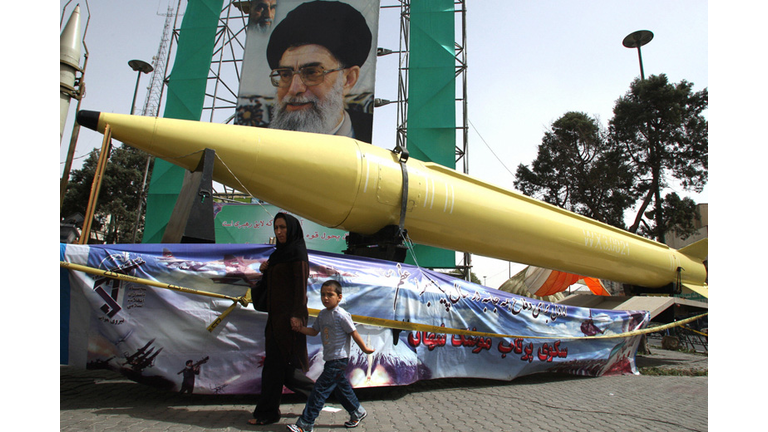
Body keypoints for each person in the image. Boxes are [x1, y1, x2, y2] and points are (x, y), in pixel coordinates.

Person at [266, 0, 373, 142]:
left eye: (311, 73)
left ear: (348, 80)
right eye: (286, 74)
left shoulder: (375, 143)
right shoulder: (253, 140)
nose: (294, 89)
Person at [249, 212, 315, 426]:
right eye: (276, 228)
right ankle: (319, 396)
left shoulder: (297, 253)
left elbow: (300, 288)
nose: (279, 232)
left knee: (277, 367)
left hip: (289, 320)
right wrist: (265, 270)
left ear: (292, 228)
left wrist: (297, 316)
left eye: (283, 227)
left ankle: (267, 413)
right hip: (275, 317)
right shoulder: (279, 254)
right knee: (280, 368)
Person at [286, 280, 375, 432]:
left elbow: (353, 332)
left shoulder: (341, 315)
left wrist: (365, 349)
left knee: (319, 391)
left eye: (330, 295)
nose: (325, 298)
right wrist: (300, 329)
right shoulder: (322, 315)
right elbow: (314, 331)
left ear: (339, 297)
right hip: (330, 360)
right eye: (323, 295)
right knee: (342, 389)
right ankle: (357, 411)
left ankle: (305, 424)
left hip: (339, 359)